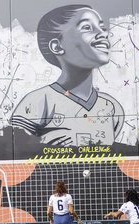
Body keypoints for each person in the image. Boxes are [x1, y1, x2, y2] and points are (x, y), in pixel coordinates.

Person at [10, 4, 124, 146]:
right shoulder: (38, 101)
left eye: (102, 27)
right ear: (57, 46)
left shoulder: (111, 107)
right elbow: (16, 150)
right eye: (87, 27)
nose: (103, 34)